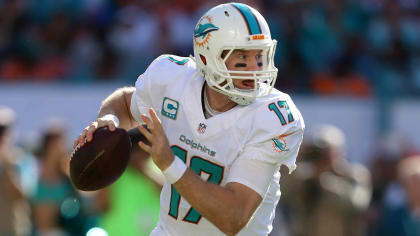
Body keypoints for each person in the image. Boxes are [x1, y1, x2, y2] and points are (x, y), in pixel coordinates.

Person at [74, 3, 304, 236]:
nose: (255, 69)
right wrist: (108, 119)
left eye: (259, 56)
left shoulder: (273, 116)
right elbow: (124, 102)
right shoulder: (174, 79)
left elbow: (234, 217)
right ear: (210, 56)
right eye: (242, 57)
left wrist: (170, 164)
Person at [279, 124, 371, 236]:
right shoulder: (304, 176)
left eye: (325, 152)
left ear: (339, 152)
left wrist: (323, 181)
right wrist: (294, 160)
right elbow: (283, 194)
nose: (319, 157)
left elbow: (358, 203)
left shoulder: (354, 175)